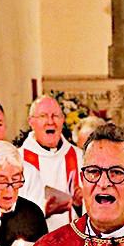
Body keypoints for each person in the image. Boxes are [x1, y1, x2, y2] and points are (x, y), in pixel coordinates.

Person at [22, 94, 82, 225]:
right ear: (31, 122)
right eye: (43, 116)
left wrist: (80, 204)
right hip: (33, 242)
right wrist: (43, 212)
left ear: (62, 120)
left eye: (55, 116)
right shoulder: (18, 160)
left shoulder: (79, 157)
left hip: (72, 241)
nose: (50, 121)